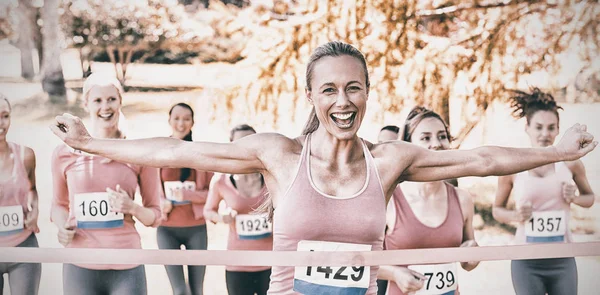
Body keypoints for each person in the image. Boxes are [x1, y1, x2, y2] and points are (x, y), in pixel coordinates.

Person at [50, 41, 597, 294]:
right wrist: (94, 146)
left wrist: (561, 153)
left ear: (366, 94)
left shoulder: (389, 162)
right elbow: (176, 153)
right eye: (329, 88)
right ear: (311, 95)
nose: (342, 100)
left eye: (353, 87)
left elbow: (479, 159)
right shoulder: (280, 155)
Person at [50, 74, 162, 295]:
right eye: (98, 101)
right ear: (86, 104)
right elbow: (58, 205)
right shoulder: (63, 153)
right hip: (80, 264)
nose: (105, 107)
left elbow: (155, 216)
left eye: (111, 99)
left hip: (127, 264)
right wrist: (62, 227)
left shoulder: (139, 153)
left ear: (120, 101)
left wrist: (132, 208)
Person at [492, 87, 596, 295]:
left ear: (558, 130)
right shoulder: (512, 167)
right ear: (527, 128)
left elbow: (590, 198)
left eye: (551, 128)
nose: (545, 134)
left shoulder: (572, 164)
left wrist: (574, 197)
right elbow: (497, 210)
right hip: (526, 260)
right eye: (538, 127)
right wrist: (516, 215)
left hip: (563, 258)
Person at [377, 106, 480, 295]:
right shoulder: (389, 199)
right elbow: (361, 262)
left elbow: (468, 262)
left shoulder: (462, 198)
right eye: (425, 138)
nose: (436, 143)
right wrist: (394, 273)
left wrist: (472, 253)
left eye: (442, 136)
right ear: (408, 145)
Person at [204, 124, 272, 295]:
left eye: (251, 141)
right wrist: (222, 217)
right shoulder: (221, 180)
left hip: (271, 262)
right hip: (237, 263)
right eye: (240, 143)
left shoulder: (272, 178)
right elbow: (208, 211)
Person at [158, 103, 213, 295]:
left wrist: (188, 195)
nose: (181, 123)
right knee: (180, 291)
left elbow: (212, 195)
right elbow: (149, 191)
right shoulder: (158, 152)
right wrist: (160, 202)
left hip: (196, 229)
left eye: (186, 119)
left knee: (197, 291)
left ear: (193, 123)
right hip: (167, 230)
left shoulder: (200, 154)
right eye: (177, 118)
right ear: (169, 120)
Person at [0, 95, 41, 295]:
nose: (1, 123)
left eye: (5, 116)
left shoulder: (26, 155)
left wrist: (35, 212)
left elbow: (33, 191)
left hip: (23, 247)